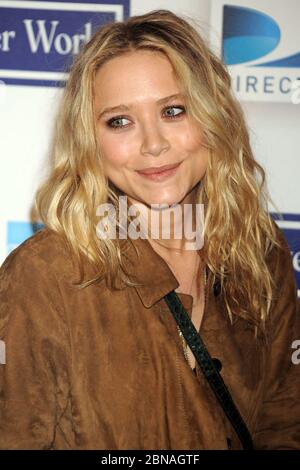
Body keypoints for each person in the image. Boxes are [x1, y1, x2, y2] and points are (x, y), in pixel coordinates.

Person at [0, 9, 299, 450]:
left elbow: (284, 418)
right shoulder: (44, 276)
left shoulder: (258, 248)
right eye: (119, 121)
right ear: (90, 139)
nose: (153, 144)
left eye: (174, 111)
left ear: (212, 117)